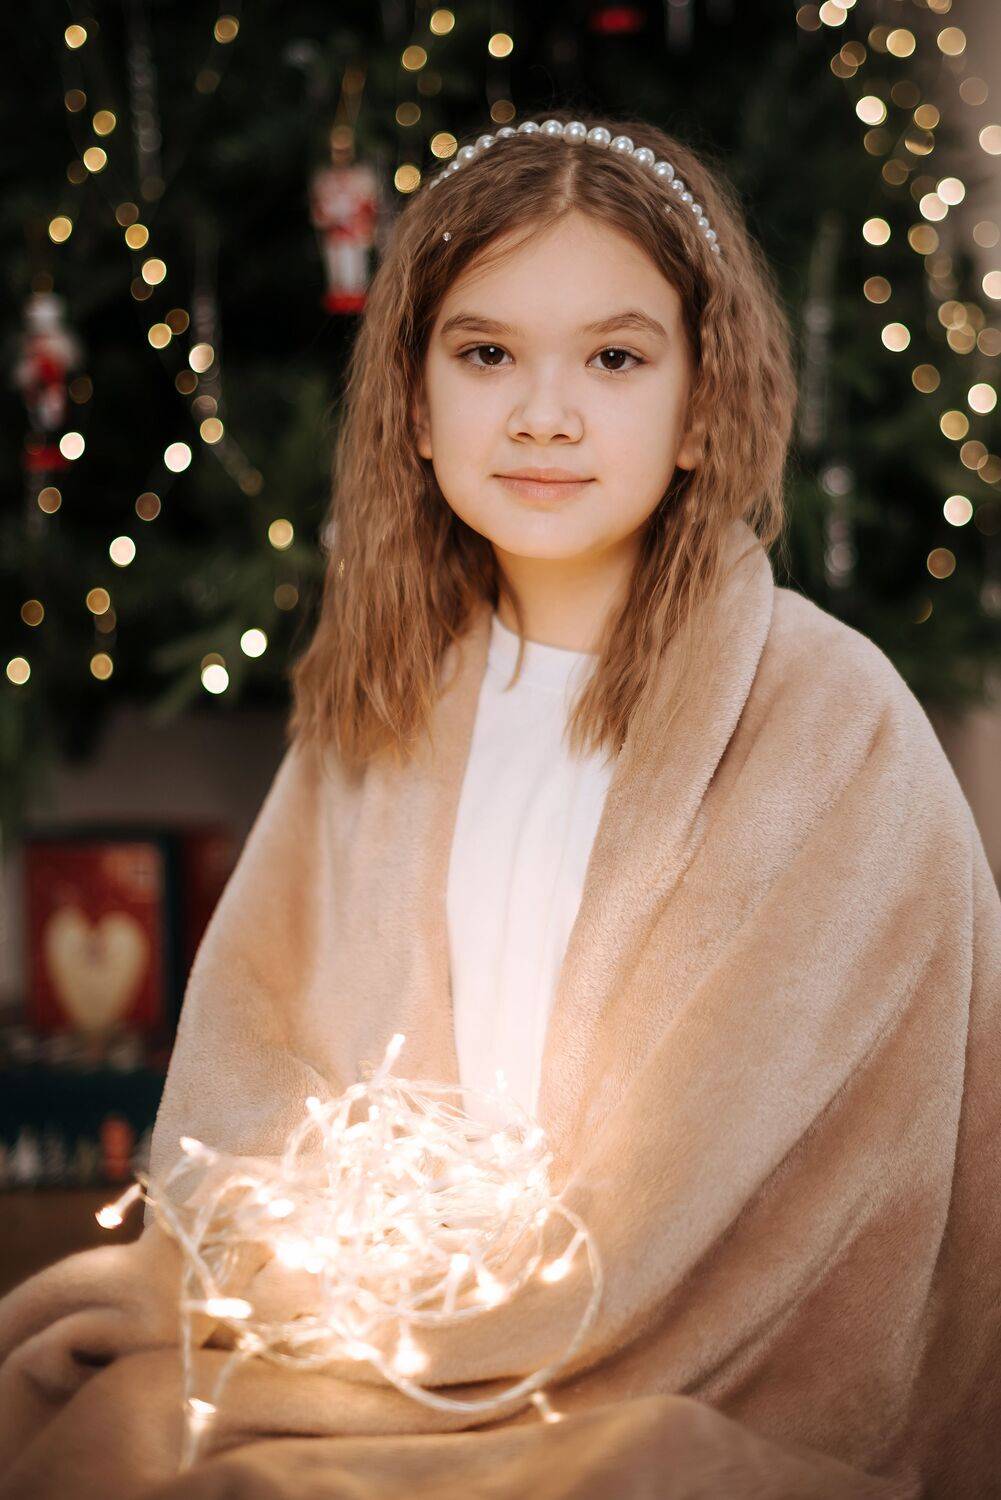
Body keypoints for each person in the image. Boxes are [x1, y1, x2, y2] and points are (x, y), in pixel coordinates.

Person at [0, 108, 998, 1500]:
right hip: (382, 1313)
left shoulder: (828, 722)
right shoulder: (381, 708)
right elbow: (259, 1054)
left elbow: (807, 1175)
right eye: (486, 356)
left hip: (668, 1344)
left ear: (702, 405)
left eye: (614, 358)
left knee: (643, 1465)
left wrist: (511, 1328)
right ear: (416, 408)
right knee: (114, 1422)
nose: (544, 413)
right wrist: (322, 1285)